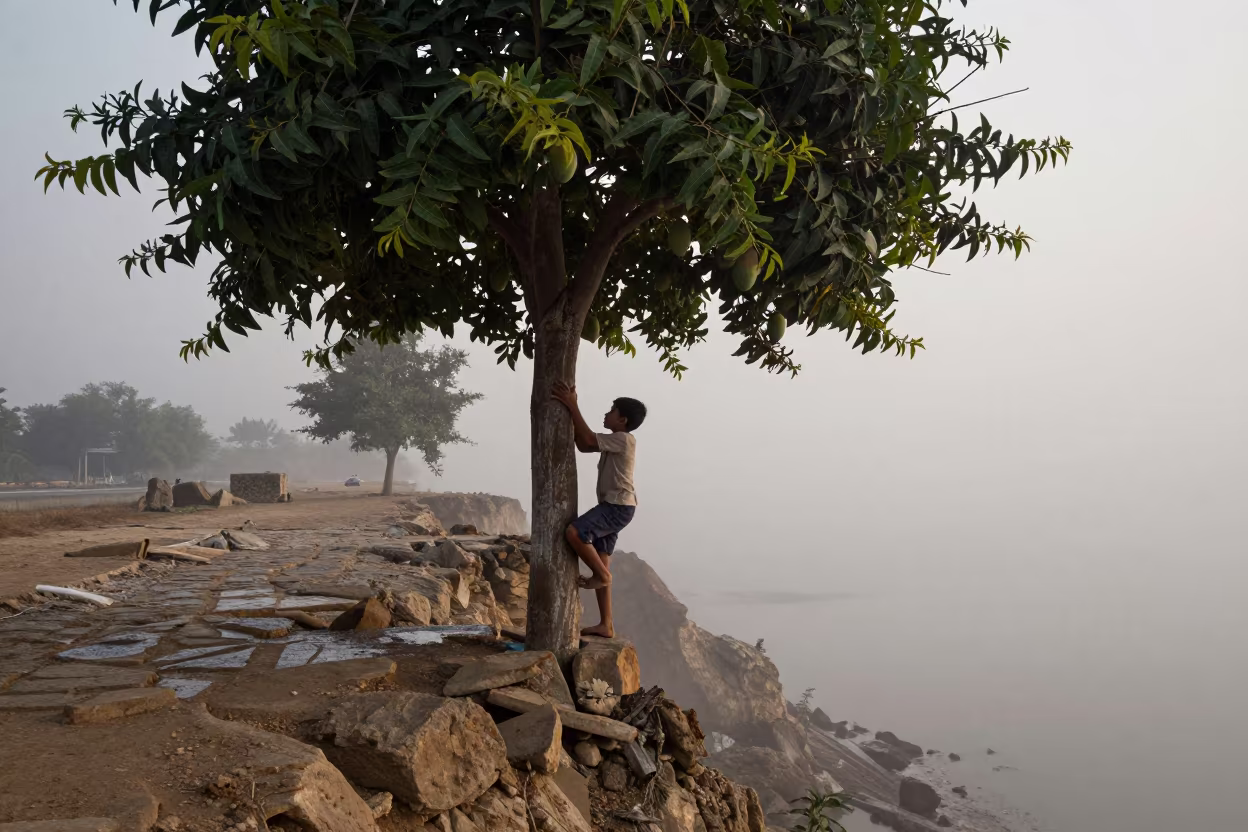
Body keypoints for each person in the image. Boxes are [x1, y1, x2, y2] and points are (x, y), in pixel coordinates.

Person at [552, 381, 646, 638]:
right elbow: (584, 445)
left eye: (611, 411)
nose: (606, 414)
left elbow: (586, 438)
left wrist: (572, 404)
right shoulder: (615, 439)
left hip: (617, 506)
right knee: (602, 556)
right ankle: (607, 625)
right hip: (616, 506)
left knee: (574, 533)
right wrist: (569, 412)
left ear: (623, 419)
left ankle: (602, 575)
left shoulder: (624, 439)